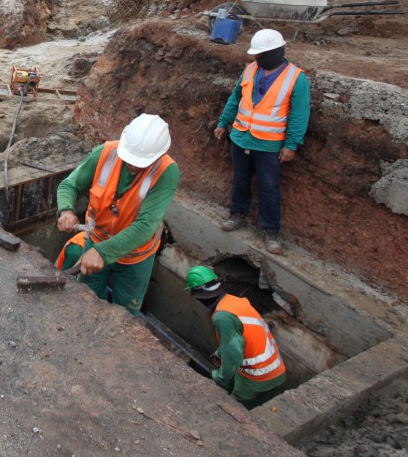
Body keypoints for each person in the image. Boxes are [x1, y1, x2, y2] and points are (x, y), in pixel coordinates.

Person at [55, 113, 180, 316]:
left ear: (159, 155)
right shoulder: (105, 154)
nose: (133, 165)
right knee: (84, 299)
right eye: (130, 158)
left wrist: (103, 252)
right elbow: (70, 184)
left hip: (136, 258)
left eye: (141, 163)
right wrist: (66, 209)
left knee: (126, 315)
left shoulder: (166, 172)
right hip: (96, 242)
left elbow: (145, 226)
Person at [214, 29, 310, 254]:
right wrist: (223, 122)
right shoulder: (250, 70)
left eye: (261, 55)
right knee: (240, 180)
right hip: (240, 137)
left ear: (278, 51)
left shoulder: (296, 78)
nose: (257, 59)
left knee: (269, 188)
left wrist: (291, 144)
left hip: (268, 145)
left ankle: (271, 231)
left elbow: (299, 114)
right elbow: (235, 98)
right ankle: (237, 214)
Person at [184, 265, 287, 409]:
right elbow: (242, 337)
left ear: (199, 296)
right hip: (276, 371)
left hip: (257, 376)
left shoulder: (222, 317)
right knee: (258, 407)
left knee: (234, 409)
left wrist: (219, 377)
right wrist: (220, 353)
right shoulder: (234, 302)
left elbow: (233, 355)